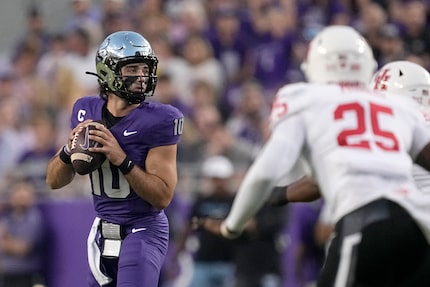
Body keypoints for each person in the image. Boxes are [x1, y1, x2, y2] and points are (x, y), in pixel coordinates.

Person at [197, 25, 430, 287]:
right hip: (419, 224)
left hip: (367, 217)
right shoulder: (400, 109)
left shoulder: (304, 97)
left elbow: (266, 172)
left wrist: (233, 224)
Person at [45, 31, 184, 287]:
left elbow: (163, 196)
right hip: (102, 228)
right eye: (132, 68)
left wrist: (122, 158)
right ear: (108, 72)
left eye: (145, 68)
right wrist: (67, 150)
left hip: (143, 228)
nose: (142, 76)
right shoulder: (85, 109)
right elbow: (54, 181)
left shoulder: (161, 119)